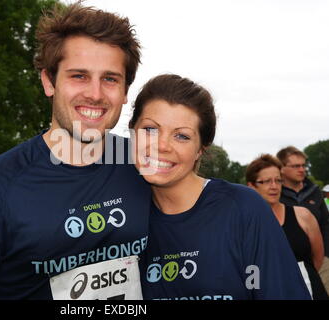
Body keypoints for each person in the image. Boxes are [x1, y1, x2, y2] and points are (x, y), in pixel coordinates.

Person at [0, 3, 150, 300]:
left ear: (126, 91)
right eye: (79, 76)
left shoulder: (148, 167)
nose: (95, 93)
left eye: (110, 79)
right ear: (49, 81)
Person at [130, 74, 310, 299]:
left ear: (200, 150)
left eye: (182, 136)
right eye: (150, 129)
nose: (162, 145)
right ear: (132, 131)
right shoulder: (126, 214)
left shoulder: (242, 208)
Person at [246, 154, 328, 299]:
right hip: (266, 291)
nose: (274, 186)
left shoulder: (303, 215)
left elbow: (318, 257)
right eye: (266, 181)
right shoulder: (244, 223)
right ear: (251, 186)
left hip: (309, 288)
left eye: (278, 180)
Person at [277, 146, 329, 293]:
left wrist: (326, 255)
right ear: (282, 168)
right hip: (290, 263)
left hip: (323, 259)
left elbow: (326, 224)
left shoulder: (315, 192)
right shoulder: (275, 195)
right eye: (296, 166)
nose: (302, 169)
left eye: (303, 165)